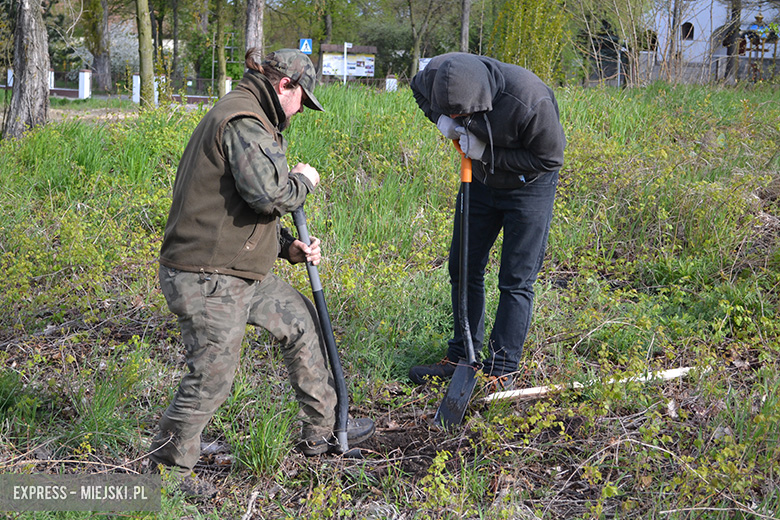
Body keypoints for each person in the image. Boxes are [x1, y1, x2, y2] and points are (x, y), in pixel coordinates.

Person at [150, 48, 375, 497]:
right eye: (301, 99)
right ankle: (167, 475)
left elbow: (239, 211)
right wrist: (304, 181)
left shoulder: (255, 118)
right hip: (207, 275)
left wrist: (287, 248)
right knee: (212, 374)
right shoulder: (243, 122)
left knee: (301, 323)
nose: (301, 110)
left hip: (236, 269)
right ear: (283, 86)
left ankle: (323, 429)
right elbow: (268, 196)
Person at [408, 53, 566, 391]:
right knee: (463, 267)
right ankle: (463, 355)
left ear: (483, 101)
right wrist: (440, 119)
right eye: (452, 113)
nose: (457, 119)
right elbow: (417, 90)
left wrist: (487, 153)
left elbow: (550, 158)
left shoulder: (528, 99)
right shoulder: (436, 73)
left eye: (462, 115)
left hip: (529, 188)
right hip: (479, 183)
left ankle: (502, 367)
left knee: (515, 278)